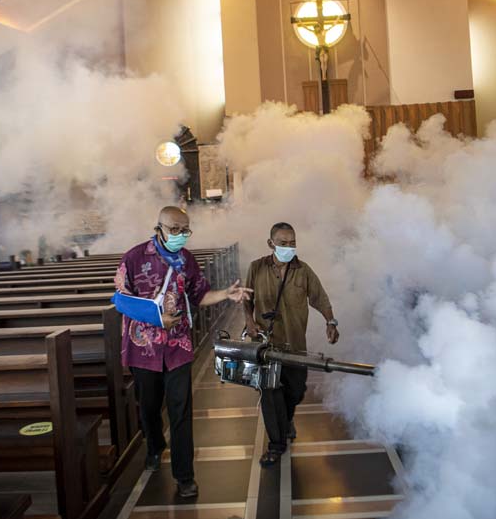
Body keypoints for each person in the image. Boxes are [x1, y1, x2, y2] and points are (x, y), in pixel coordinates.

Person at [115, 206, 251, 497]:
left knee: (181, 412)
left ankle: (184, 476)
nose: (180, 235)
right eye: (174, 229)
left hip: (178, 347)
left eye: (185, 230)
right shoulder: (135, 257)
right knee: (149, 408)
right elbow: (121, 300)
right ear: (159, 228)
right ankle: (153, 446)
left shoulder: (186, 260)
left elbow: (200, 295)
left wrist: (226, 294)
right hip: (143, 350)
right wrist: (155, 319)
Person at [244, 222, 338, 467]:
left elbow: (320, 297)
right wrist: (249, 321)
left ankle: (286, 419)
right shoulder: (256, 268)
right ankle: (276, 445)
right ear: (271, 244)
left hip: (295, 345)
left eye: (292, 243)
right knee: (270, 394)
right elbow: (247, 299)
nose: (289, 247)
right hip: (266, 346)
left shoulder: (303, 270)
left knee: (296, 390)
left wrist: (331, 321)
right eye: (283, 243)